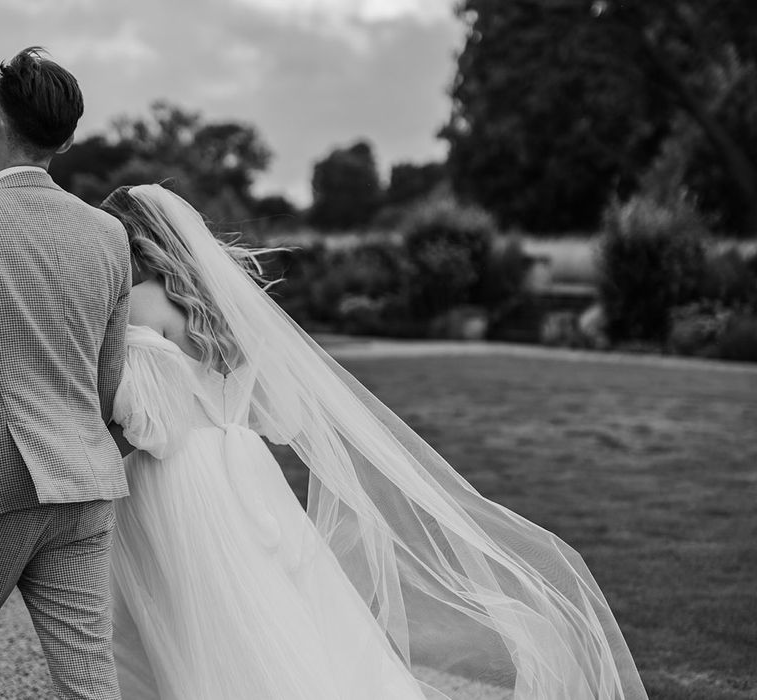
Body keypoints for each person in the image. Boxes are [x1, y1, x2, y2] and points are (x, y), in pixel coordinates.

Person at [102, 183, 648, 700]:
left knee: (194, 614)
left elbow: (151, 423)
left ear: (135, 242)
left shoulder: (144, 302)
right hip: (244, 463)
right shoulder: (222, 305)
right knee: (269, 602)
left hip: (178, 474)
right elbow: (277, 412)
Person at [0, 48, 131, 699]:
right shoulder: (107, 235)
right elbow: (109, 381)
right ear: (68, 136)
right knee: (89, 680)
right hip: (84, 480)